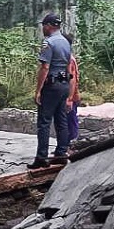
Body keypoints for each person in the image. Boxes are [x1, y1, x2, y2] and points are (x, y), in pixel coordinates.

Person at [27, 13, 72, 169]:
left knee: (44, 122)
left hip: (51, 86)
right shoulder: (66, 42)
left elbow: (45, 67)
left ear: (48, 26)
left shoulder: (49, 42)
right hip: (64, 84)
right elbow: (69, 66)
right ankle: (61, 154)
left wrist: (38, 90)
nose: (43, 29)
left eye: (43, 26)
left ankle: (41, 158)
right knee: (61, 120)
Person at [64, 35, 81, 142]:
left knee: (71, 122)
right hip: (65, 96)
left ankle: (72, 145)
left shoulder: (69, 59)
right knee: (65, 122)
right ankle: (64, 146)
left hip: (70, 97)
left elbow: (72, 79)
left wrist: (69, 98)